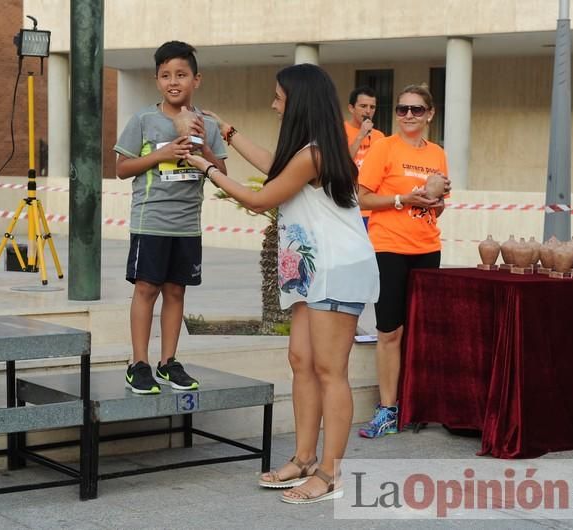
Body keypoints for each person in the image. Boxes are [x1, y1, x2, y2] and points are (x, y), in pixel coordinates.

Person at [183, 63, 379, 504]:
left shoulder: (314, 154)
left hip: (335, 268)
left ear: (297, 102)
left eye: (278, 97)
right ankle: (305, 458)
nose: (273, 104)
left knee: (331, 371)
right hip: (312, 269)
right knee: (301, 360)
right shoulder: (308, 151)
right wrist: (228, 133)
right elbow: (275, 166)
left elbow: (259, 198)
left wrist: (207, 169)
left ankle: (330, 473)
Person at [114, 41, 228, 394]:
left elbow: (220, 170)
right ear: (157, 80)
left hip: (187, 225)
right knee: (147, 288)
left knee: (176, 291)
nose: (173, 82)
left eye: (181, 74)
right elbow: (121, 168)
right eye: (165, 75)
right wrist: (163, 152)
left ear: (197, 79)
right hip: (151, 221)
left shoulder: (207, 123)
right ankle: (139, 363)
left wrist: (202, 144)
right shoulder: (144, 119)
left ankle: (168, 362)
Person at [357, 84, 450, 439]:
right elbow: (363, 196)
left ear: (430, 114)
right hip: (390, 247)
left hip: (427, 247)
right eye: (401, 109)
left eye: (415, 109)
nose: (408, 115)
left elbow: (439, 204)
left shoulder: (438, 153)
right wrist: (402, 198)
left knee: (419, 331)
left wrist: (434, 201)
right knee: (390, 330)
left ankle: (414, 405)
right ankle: (387, 409)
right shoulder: (384, 148)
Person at [344, 86, 386, 227]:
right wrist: (361, 135)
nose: (368, 111)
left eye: (372, 107)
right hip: (347, 207)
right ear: (351, 108)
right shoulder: (339, 131)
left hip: (372, 210)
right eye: (363, 106)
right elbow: (343, 163)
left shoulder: (379, 137)